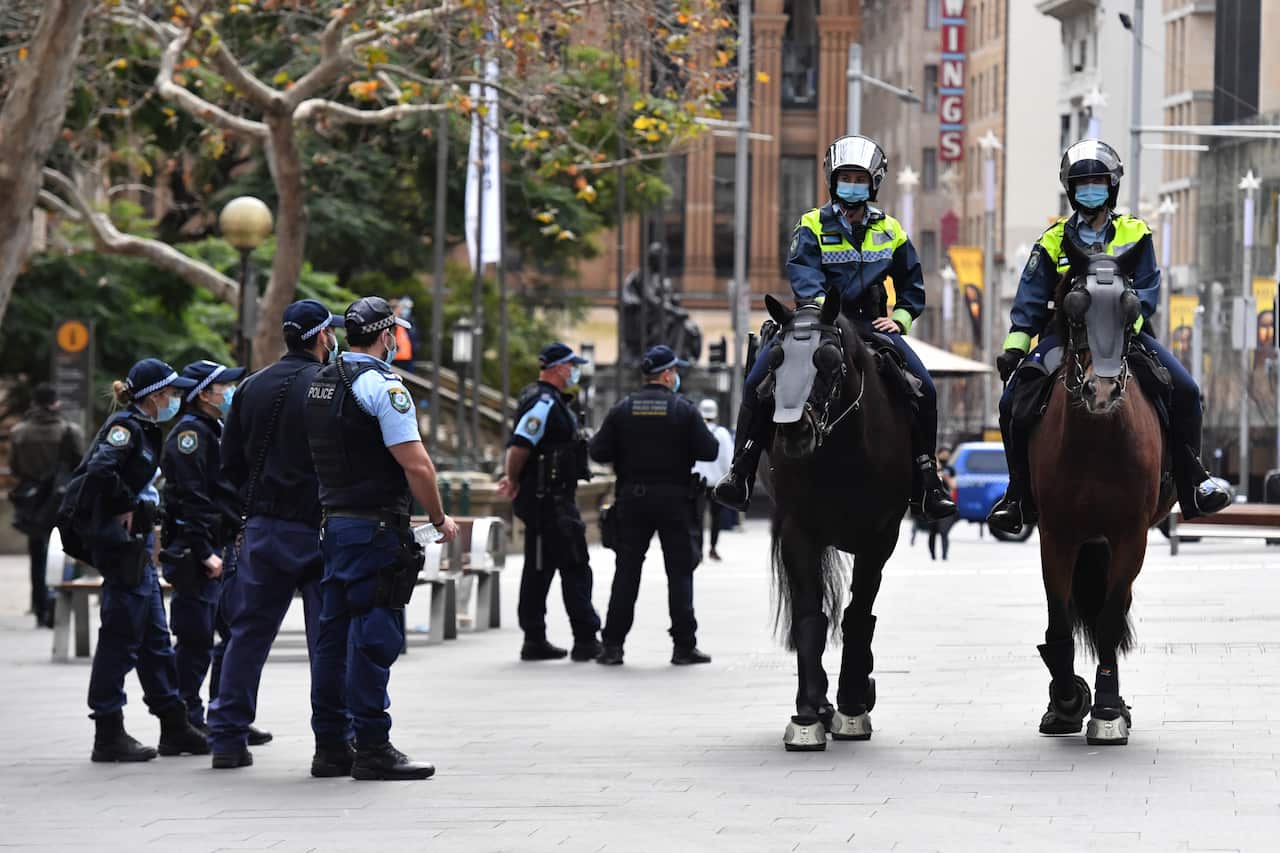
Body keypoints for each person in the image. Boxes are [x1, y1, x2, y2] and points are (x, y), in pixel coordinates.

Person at [986, 138, 1232, 535]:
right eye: (1082, 184)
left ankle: (1193, 480)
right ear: (1071, 190)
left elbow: (1150, 287)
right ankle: (1017, 494)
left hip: (1127, 336)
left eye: (1098, 181)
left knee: (1186, 390)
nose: (1090, 190)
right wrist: (1015, 348)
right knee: (1012, 399)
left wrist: (1125, 324)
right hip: (1064, 338)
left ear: (1112, 186)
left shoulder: (1136, 232)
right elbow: (1030, 298)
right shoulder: (1051, 240)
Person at [712, 134, 956, 522]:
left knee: (923, 387)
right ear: (832, 180)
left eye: (860, 178)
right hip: (817, 320)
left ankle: (928, 479)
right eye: (846, 177)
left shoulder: (891, 229)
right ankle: (740, 472)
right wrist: (822, 312)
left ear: (873, 182)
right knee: (758, 380)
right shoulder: (810, 224)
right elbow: (803, 274)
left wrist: (902, 318)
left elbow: (913, 284)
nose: (852, 185)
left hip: (872, 325)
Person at [304, 295, 459, 781]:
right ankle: (372, 745)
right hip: (373, 528)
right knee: (373, 633)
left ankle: (331, 744)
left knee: (332, 637)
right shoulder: (383, 386)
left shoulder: (322, 383)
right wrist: (438, 518)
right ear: (386, 335)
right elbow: (416, 464)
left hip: (333, 524)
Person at [207, 300, 352, 774]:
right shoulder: (332, 384)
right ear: (321, 336)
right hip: (321, 525)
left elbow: (227, 466)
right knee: (327, 639)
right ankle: (332, 744)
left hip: (265, 527)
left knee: (247, 635)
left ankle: (227, 737)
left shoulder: (250, 388)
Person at [56, 358, 208, 762]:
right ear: (156, 396)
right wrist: (126, 503)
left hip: (134, 545)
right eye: (172, 393)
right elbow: (101, 470)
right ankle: (108, 731)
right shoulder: (127, 428)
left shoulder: (144, 427)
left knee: (156, 638)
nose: (176, 399)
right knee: (121, 635)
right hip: (119, 545)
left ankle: (174, 724)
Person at [158, 359, 270, 746]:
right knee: (194, 639)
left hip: (221, 544)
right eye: (224, 386)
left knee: (234, 632)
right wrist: (205, 551)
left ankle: (225, 714)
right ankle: (182, 723)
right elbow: (192, 499)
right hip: (196, 552)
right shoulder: (190, 435)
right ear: (204, 394)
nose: (231, 392)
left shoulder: (215, 430)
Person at [589, 345, 719, 666]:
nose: (676, 376)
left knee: (627, 572)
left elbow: (598, 451)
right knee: (679, 573)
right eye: (675, 371)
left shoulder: (623, 409)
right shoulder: (683, 410)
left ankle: (613, 646)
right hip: (675, 499)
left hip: (632, 498)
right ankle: (684, 646)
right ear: (666, 374)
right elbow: (711, 450)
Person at [496, 342, 602, 663]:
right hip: (552, 500)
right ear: (557, 368)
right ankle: (585, 638)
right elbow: (520, 446)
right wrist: (512, 478)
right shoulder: (543, 402)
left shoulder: (543, 398)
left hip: (545, 499)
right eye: (571, 366)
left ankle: (534, 638)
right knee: (575, 567)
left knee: (539, 567)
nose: (574, 372)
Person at [9, 382, 83, 628]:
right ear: (55, 403)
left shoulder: (19, 432)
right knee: (65, 552)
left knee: (38, 554)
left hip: (32, 501)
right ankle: (57, 605)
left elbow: (15, 467)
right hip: (60, 498)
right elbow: (79, 464)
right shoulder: (68, 431)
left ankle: (40, 606)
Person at [691, 399, 732, 562]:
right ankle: (713, 549)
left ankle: (699, 551)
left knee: (698, 518)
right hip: (717, 483)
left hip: (698, 482)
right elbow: (728, 459)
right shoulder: (722, 433)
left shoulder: (694, 430)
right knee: (716, 517)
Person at [928, 447, 957, 561]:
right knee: (933, 532)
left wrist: (946, 476)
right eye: (943, 455)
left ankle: (944, 555)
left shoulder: (950, 470)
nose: (945, 457)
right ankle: (933, 556)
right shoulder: (933, 468)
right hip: (933, 502)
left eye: (947, 455)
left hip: (946, 502)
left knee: (944, 531)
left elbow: (954, 486)